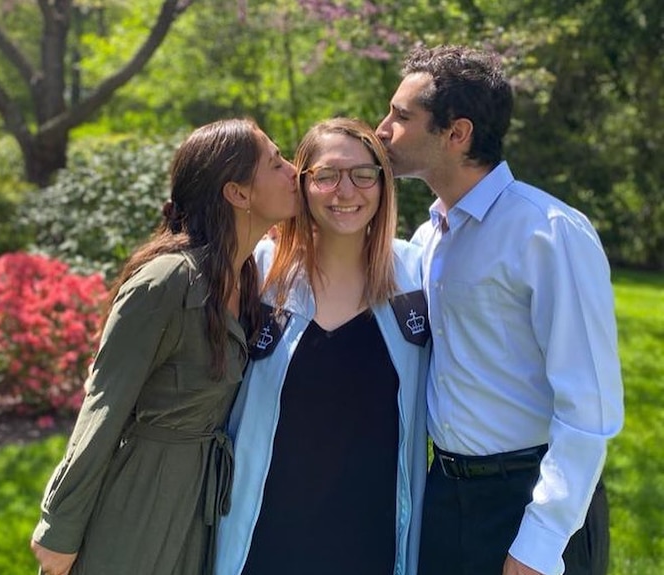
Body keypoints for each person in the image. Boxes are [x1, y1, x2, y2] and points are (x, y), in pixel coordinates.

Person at [376, 45, 624, 575]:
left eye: (401, 116)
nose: (382, 129)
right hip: (444, 499)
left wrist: (541, 539)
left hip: (532, 503)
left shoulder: (549, 233)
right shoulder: (428, 237)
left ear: (456, 133)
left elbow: (590, 408)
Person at [30, 118, 299, 575]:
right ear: (237, 193)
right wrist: (59, 529)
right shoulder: (168, 281)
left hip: (201, 505)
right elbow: (104, 404)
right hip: (137, 499)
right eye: (276, 163)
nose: (294, 170)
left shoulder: (246, 277)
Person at [215, 117, 431, 575]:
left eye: (363, 174)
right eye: (327, 176)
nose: (346, 191)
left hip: (371, 540)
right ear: (303, 184)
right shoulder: (260, 272)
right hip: (264, 537)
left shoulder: (417, 275)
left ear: (383, 183)